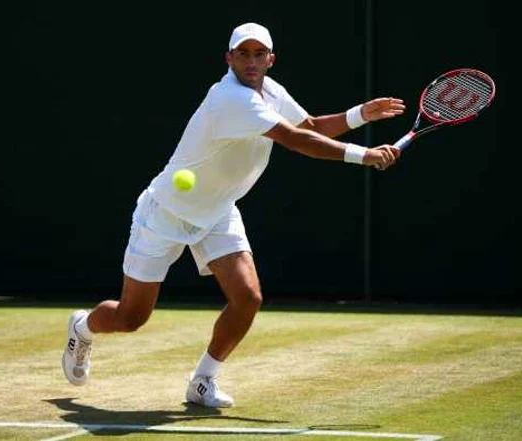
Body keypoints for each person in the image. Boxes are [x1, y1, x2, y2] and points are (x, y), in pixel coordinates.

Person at [62, 22, 405, 408]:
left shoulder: (272, 92)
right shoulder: (229, 98)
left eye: (260, 54)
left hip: (218, 211)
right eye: (243, 53)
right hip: (166, 212)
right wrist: (366, 155)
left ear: (271, 60)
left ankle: (202, 381)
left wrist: (361, 114)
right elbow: (297, 140)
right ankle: (83, 327)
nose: (252, 61)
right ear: (229, 59)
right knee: (131, 318)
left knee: (248, 297)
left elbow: (307, 125)